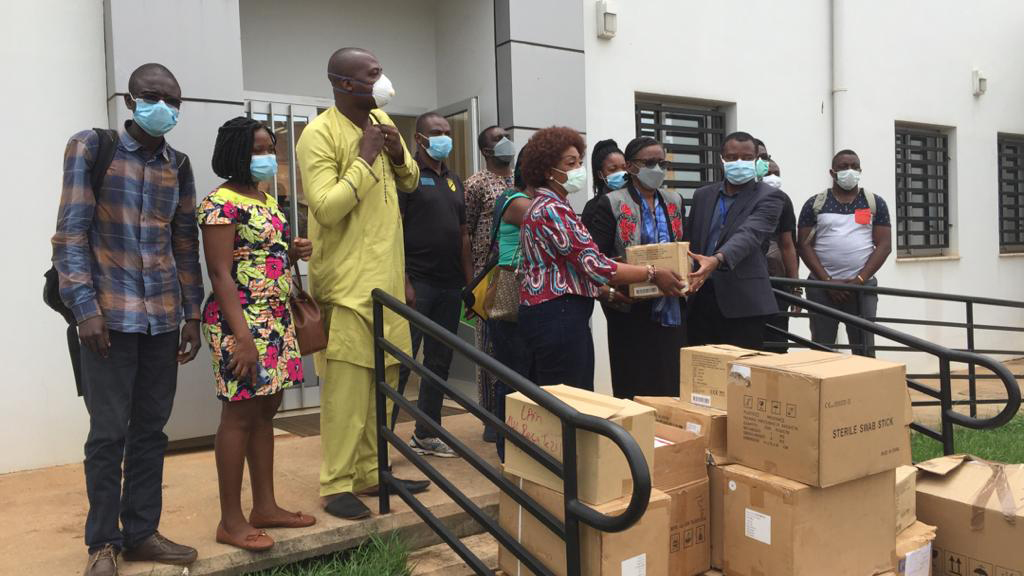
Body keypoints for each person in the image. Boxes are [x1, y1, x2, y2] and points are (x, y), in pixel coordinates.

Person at [51, 63, 201, 576]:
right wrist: (84, 310)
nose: (167, 108)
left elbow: (185, 244)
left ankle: (142, 533)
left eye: (175, 101)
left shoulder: (177, 165)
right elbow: (70, 234)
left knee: (151, 431)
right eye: (156, 97)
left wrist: (193, 314)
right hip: (107, 320)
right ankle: (103, 543)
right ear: (132, 99)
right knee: (108, 433)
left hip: (161, 317)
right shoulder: (93, 147)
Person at [295, 47, 430, 522]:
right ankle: (335, 485)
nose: (383, 80)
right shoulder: (318, 134)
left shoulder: (378, 120)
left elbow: (410, 185)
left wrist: (396, 153)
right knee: (347, 394)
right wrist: (365, 158)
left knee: (385, 384)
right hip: (347, 287)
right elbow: (326, 208)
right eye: (373, 74)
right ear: (344, 84)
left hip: (387, 283)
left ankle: (373, 472)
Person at [199, 117, 317, 551]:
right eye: (259, 149)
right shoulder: (220, 202)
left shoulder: (265, 198)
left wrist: (294, 250)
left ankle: (264, 506)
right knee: (239, 414)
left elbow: (265, 253)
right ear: (236, 153)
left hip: (277, 317)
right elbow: (219, 271)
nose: (268, 156)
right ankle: (230, 520)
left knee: (267, 411)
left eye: (270, 147)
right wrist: (243, 337)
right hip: (241, 322)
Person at [517, 127, 686, 391]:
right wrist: (652, 272)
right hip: (558, 313)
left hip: (556, 311)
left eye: (580, 162)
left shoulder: (551, 206)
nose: (579, 169)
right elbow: (594, 264)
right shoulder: (551, 210)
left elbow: (571, 266)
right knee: (570, 395)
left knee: (565, 392)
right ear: (548, 170)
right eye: (570, 164)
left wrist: (606, 292)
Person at [397, 112, 473, 459]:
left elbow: (463, 235)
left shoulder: (455, 180)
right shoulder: (408, 178)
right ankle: (378, 440)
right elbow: (392, 231)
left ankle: (426, 433)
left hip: (449, 285)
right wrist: (405, 282)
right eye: (436, 133)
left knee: (439, 361)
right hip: (417, 284)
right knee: (400, 361)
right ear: (419, 138)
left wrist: (468, 282)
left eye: (446, 132)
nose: (444, 138)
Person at [587, 136, 687, 398]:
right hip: (629, 308)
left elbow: (684, 244)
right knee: (634, 378)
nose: (657, 170)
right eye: (649, 163)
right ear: (631, 167)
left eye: (662, 163)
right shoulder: (612, 203)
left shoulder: (674, 200)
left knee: (670, 378)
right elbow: (597, 256)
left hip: (671, 306)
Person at [684, 131, 785, 350]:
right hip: (700, 298)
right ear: (721, 159)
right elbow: (689, 240)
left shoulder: (770, 196)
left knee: (739, 376)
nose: (739, 162)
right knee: (700, 373)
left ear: (756, 160)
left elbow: (749, 234)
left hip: (743, 304)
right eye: (732, 157)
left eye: (747, 158)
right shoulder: (703, 195)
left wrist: (717, 259)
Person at [798, 149, 892, 357]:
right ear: (832, 172)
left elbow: (884, 245)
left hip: (861, 288)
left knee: (864, 350)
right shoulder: (815, 204)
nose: (849, 171)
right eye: (843, 167)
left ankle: (864, 390)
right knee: (821, 351)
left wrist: (860, 279)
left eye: (854, 166)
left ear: (860, 170)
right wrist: (827, 281)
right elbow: (804, 245)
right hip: (821, 288)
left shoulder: (874, 203)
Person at [463, 126, 515, 443]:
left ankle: (513, 413)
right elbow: (464, 232)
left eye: (506, 134)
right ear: (485, 150)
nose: (505, 140)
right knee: (490, 348)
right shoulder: (476, 184)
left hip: (518, 274)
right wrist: (471, 280)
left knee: (514, 347)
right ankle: (491, 418)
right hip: (489, 276)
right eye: (497, 138)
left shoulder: (520, 181)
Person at [486, 150, 532, 460]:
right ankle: (509, 451)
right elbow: (553, 225)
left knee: (525, 374)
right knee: (513, 377)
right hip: (510, 291)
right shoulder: (515, 201)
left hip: (528, 294)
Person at [754, 140, 801, 352]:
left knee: (776, 345)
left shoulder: (782, 200)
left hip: (776, 283)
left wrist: (796, 288)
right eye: (760, 159)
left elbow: (788, 244)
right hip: (743, 284)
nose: (772, 175)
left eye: (776, 172)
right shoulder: (729, 195)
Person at [580, 139, 627, 231]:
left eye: (624, 168)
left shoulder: (635, 200)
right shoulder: (593, 208)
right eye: (613, 169)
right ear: (600, 174)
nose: (621, 173)